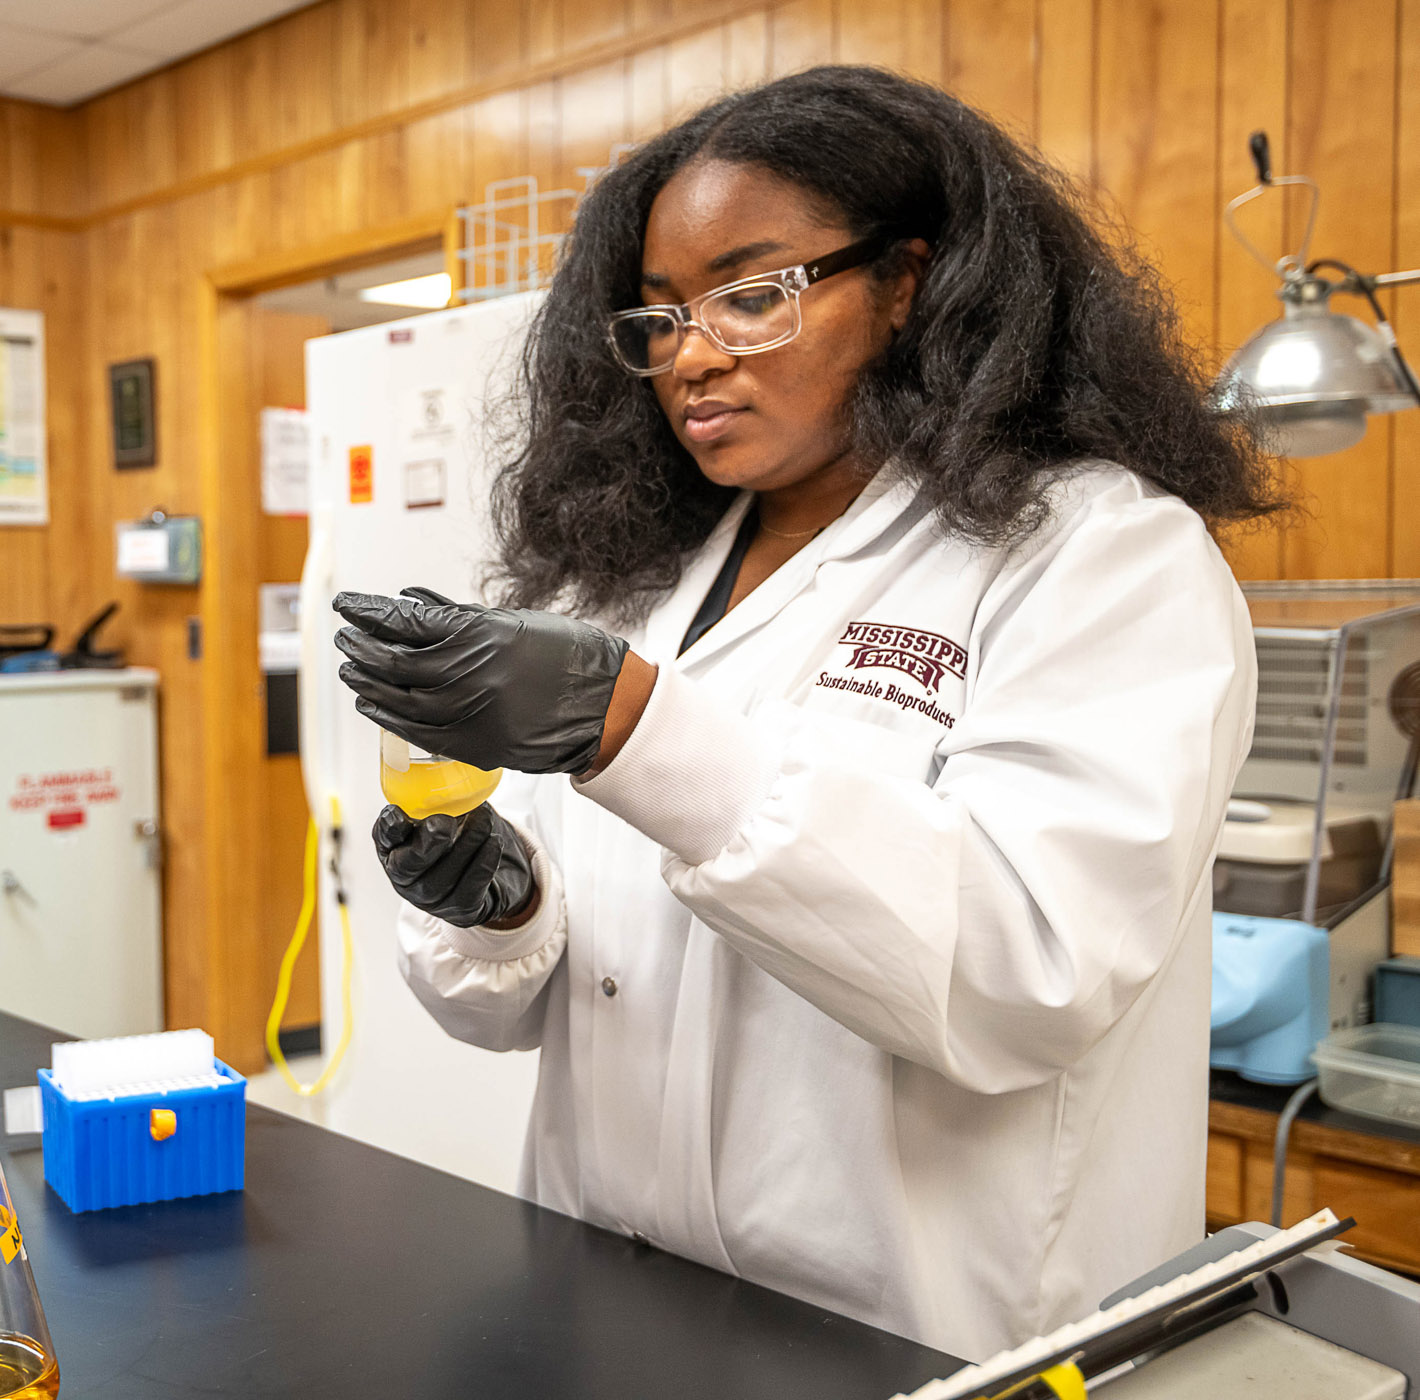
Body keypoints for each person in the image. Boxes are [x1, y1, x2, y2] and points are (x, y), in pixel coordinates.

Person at [333, 65, 1281, 1361]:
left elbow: (1027, 970)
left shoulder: (1100, 556)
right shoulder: (641, 577)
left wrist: (635, 731)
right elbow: (550, 1001)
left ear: (907, 282)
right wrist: (503, 911)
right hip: (611, 1297)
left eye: (753, 292)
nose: (694, 356)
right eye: (661, 315)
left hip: (927, 1335)